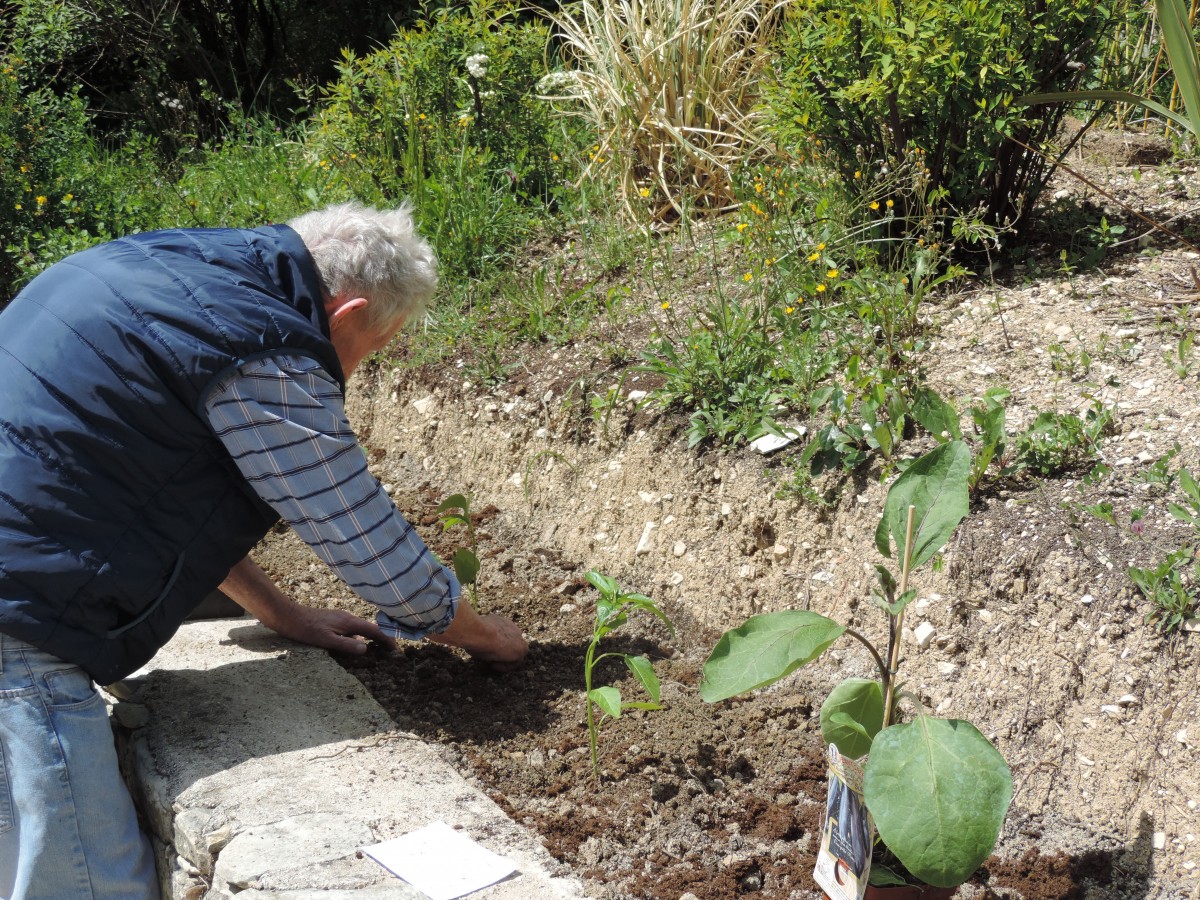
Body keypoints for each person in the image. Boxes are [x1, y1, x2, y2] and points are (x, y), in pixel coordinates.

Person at [0, 201, 528, 900]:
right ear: (347, 315)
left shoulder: (159, 264)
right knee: (85, 884)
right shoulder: (259, 344)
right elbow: (359, 534)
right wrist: (486, 636)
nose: (354, 375)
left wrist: (283, 615)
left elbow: (143, 501)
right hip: (17, 628)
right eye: (371, 351)